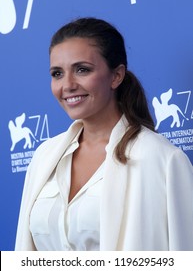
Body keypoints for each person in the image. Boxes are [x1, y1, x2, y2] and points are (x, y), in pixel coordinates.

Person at [15, 17, 193, 251]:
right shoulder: (43, 157)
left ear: (116, 76)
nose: (67, 85)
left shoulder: (163, 160)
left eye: (82, 70)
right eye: (57, 73)